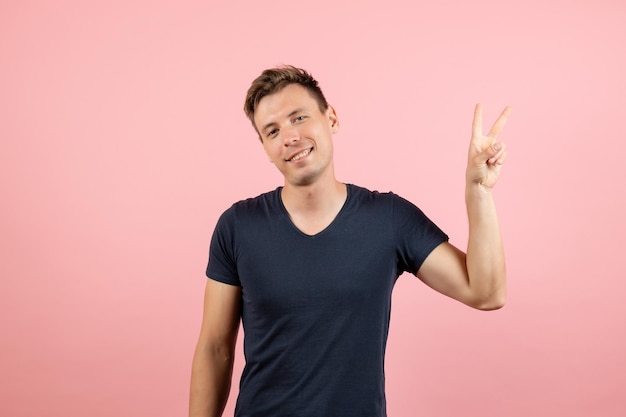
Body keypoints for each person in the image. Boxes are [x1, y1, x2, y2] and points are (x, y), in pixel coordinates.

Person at [189, 65, 510, 417]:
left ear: (332, 119)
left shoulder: (388, 219)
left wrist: (478, 191)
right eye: (272, 130)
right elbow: (215, 348)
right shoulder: (237, 226)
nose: (290, 136)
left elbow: (486, 292)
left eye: (299, 117)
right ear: (265, 147)